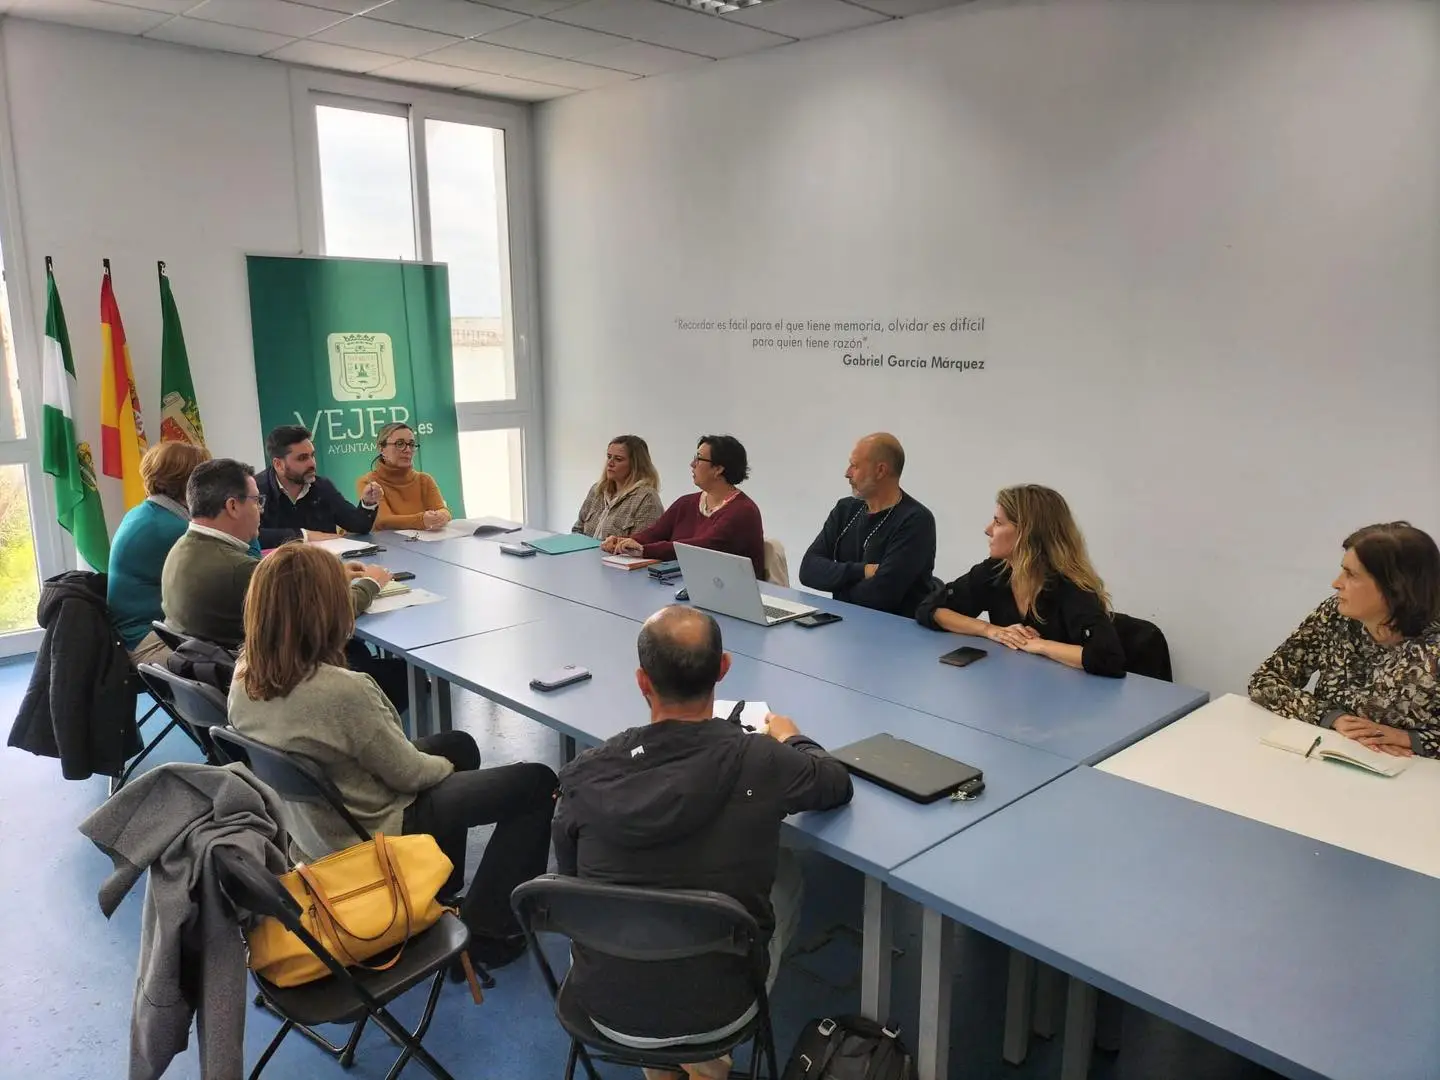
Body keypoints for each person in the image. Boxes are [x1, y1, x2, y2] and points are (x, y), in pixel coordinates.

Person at [554, 607, 853, 1077]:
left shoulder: (586, 774)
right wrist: (793, 738)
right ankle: (704, 1064)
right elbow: (834, 782)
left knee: (626, 891)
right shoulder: (761, 760)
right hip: (721, 1009)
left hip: (605, 1004)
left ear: (642, 681)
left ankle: (667, 1066)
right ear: (723, 668)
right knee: (788, 875)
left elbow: (571, 887)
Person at [228, 543, 558, 969]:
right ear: (325, 611)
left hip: (316, 828)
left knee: (459, 743)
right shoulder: (342, 691)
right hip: (376, 826)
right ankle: (488, 934)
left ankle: (437, 885)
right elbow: (409, 775)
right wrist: (444, 769)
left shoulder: (244, 679)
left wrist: (444, 763)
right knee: (537, 782)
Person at [1249, 522, 1440, 758]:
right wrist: (1330, 717)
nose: (1336, 583)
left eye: (1351, 575)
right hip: (1329, 755)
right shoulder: (1335, 615)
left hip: (1411, 771)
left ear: (1395, 587)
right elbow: (1264, 681)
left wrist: (1412, 740)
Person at [160, 459, 389, 649]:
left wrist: (332, 576)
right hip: (269, 681)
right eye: (256, 501)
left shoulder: (181, 547)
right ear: (233, 506)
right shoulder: (240, 570)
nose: (260, 510)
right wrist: (370, 584)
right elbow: (327, 615)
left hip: (211, 671)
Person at [916, 484, 1126, 677]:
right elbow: (930, 609)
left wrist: (1038, 645)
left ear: (1027, 534)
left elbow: (1108, 658)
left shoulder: (1072, 588)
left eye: (998, 522)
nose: (988, 530)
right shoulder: (996, 571)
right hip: (1016, 685)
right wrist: (990, 630)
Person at [799, 433, 936, 617]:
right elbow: (808, 570)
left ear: (880, 471)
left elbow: (881, 596)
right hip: (844, 623)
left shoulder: (916, 520)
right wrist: (862, 571)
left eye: (855, 466)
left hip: (894, 628)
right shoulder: (845, 509)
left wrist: (836, 583)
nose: (847, 473)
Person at [107, 441, 212, 663]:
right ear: (191, 483)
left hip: (142, 634)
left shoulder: (147, 513)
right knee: (253, 663)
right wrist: (250, 524)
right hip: (152, 643)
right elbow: (234, 573)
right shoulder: (168, 528)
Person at [603, 435, 765, 579]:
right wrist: (623, 541)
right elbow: (655, 533)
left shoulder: (743, 512)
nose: (692, 464)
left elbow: (701, 548)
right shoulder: (686, 502)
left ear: (718, 469)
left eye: (699, 459)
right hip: (684, 583)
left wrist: (643, 550)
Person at [257, 425, 381, 548]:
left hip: (325, 559)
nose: (312, 463)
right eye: (302, 458)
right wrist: (304, 535)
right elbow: (251, 537)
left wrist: (368, 503)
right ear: (278, 464)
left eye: (312, 455)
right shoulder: (256, 490)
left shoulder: (322, 487)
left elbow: (358, 525)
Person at [355, 422, 452, 533]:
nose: (408, 450)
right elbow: (383, 521)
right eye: (400, 444)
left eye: (411, 444)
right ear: (381, 449)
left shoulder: (425, 480)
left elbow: (443, 510)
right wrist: (421, 520)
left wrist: (442, 515)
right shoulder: (369, 482)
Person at [572, 434, 664, 539]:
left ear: (635, 465)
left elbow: (641, 544)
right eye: (609, 457)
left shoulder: (646, 498)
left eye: (618, 459)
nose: (610, 463)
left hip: (613, 551)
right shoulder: (597, 489)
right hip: (584, 550)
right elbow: (577, 530)